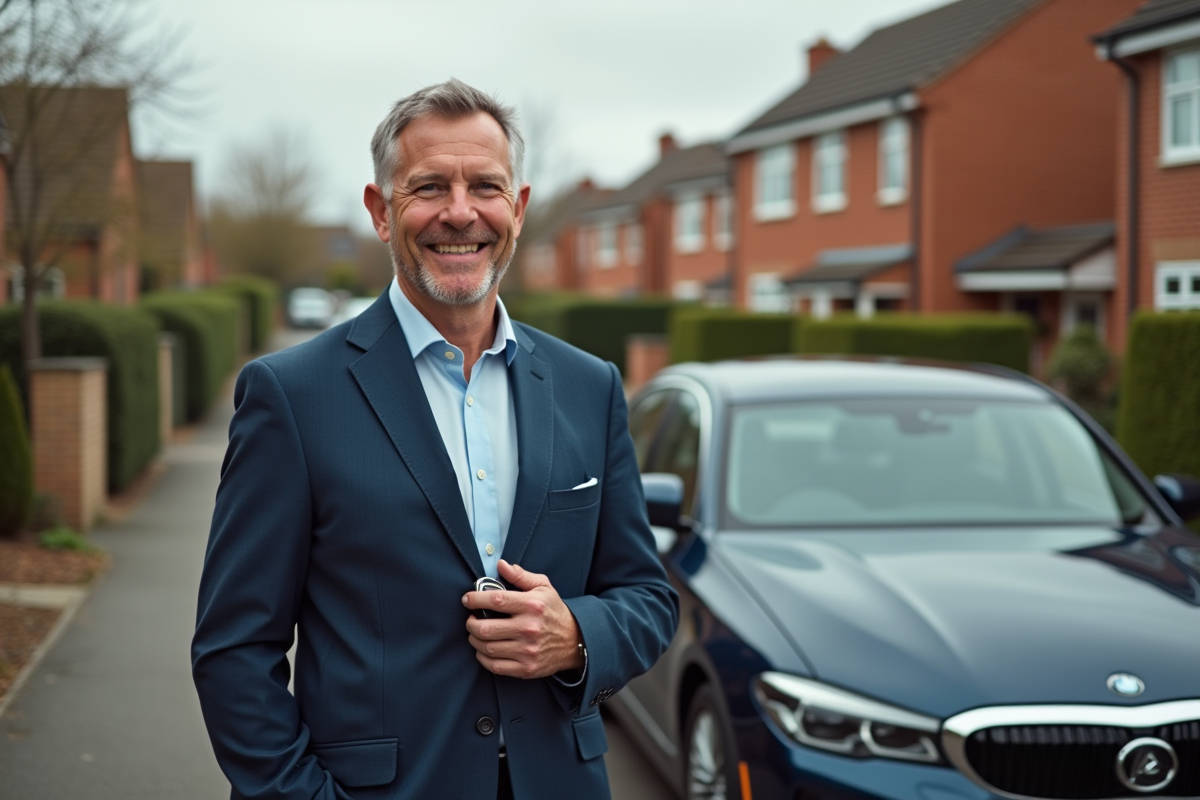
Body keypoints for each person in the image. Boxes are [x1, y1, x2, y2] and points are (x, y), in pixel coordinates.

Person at [191, 79, 679, 800]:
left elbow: (647, 596)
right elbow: (234, 650)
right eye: (428, 187)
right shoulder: (291, 396)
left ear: (516, 209)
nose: (460, 212)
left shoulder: (590, 386)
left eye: (485, 185)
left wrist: (577, 634)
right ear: (380, 212)